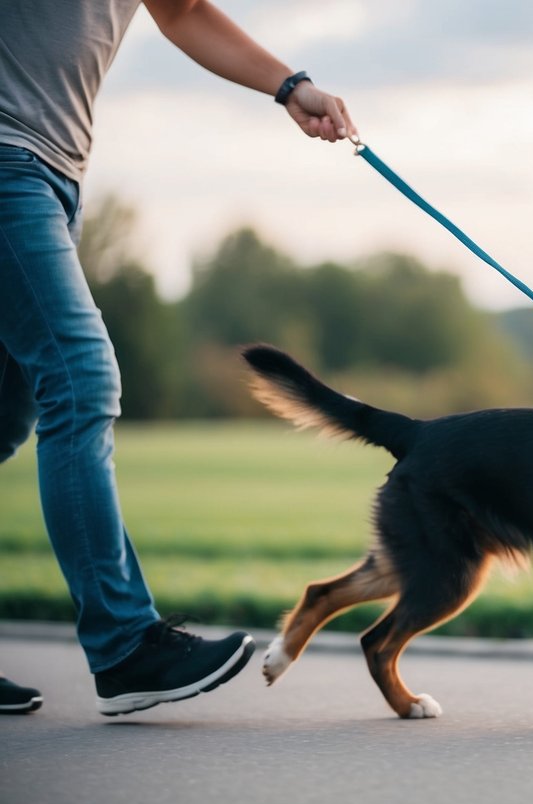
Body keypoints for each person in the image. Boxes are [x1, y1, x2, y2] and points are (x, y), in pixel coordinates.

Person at [0, 0, 357, 716]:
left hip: (56, 171)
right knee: (79, 378)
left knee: (7, 414)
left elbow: (183, 11)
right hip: (9, 162)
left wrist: (291, 86)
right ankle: (125, 645)